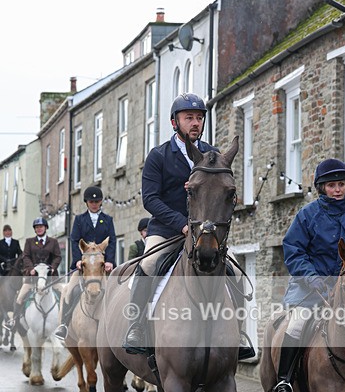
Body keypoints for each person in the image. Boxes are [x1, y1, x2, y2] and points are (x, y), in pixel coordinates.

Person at [122, 93, 255, 361]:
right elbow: (150, 199)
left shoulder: (213, 155)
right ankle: (136, 327)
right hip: (166, 231)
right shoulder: (158, 156)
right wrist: (181, 225)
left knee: (233, 273)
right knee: (148, 266)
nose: (195, 123)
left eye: (199, 118)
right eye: (189, 118)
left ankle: (238, 334)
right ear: (175, 122)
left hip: (204, 234)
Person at [270, 158, 345, 392]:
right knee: (296, 324)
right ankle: (284, 383)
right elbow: (294, 251)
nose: (337, 189)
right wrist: (314, 279)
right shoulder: (307, 215)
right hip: (310, 287)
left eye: (341, 184)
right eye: (331, 186)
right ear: (322, 188)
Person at [54, 185, 116, 341]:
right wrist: (77, 261)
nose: (94, 204)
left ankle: (116, 325)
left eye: (96, 201)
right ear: (86, 202)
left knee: (114, 292)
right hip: (84, 266)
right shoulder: (80, 219)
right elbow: (74, 240)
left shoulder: (108, 220)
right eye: (91, 201)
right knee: (69, 291)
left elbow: (113, 241)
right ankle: (64, 325)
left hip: (101, 267)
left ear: (101, 202)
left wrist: (109, 261)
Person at [7, 217, 61, 331]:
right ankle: (14, 321)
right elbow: (25, 256)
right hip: (33, 277)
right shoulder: (29, 241)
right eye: (37, 227)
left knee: (64, 295)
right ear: (35, 230)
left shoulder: (54, 242)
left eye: (41, 226)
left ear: (46, 227)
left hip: (51, 278)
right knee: (20, 297)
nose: (39, 229)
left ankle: (64, 324)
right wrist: (31, 268)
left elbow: (57, 257)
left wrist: (52, 268)